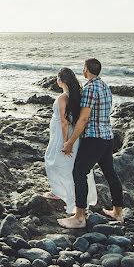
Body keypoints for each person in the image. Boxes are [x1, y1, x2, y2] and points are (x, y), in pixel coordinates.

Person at [58, 58, 124, 229]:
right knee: (110, 173)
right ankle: (118, 212)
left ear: (86, 70)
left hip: (94, 138)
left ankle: (79, 217)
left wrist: (70, 142)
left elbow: (84, 118)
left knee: (79, 172)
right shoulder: (104, 87)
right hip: (108, 137)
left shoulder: (90, 89)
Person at [43, 67, 97, 215]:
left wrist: (66, 142)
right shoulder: (76, 95)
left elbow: (64, 122)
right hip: (73, 133)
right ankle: (64, 193)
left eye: (57, 78)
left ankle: (60, 193)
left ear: (61, 80)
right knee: (68, 164)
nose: (56, 80)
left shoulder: (62, 98)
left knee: (53, 160)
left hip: (63, 134)